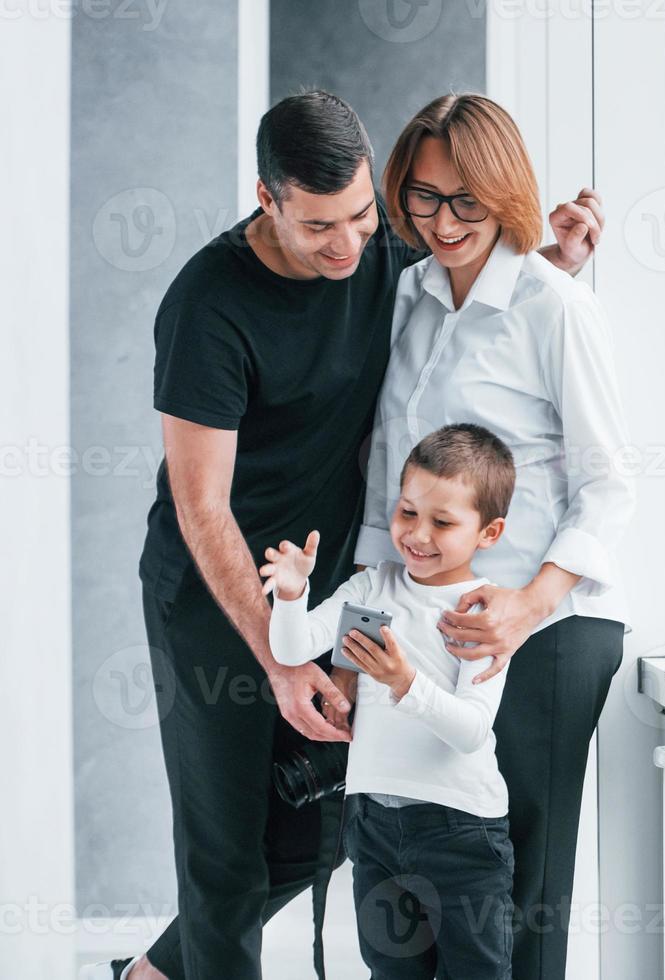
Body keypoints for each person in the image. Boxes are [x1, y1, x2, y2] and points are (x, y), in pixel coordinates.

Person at [89, 90, 603, 980]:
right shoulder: (209, 302)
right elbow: (200, 505)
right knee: (225, 850)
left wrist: (553, 261)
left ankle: (155, 972)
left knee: (337, 815)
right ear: (267, 197)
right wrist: (282, 657)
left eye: (364, 216)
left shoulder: (381, 254)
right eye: (320, 226)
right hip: (213, 592)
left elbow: (468, 285)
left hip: (336, 584)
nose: (348, 245)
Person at [347, 93, 635, 980]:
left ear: (506, 192)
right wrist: (355, 632)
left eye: (468, 200)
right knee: (420, 894)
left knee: (519, 903)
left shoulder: (554, 307)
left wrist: (525, 606)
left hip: (545, 632)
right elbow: (385, 473)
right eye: (425, 198)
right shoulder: (411, 297)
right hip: (431, 632)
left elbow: (609, 484)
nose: (444, 221)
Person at [263, 423, 519, 980]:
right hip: (375, 825)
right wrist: (290, 594)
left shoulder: (481, 614)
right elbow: (294, 646)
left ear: (489, 532)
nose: (418, 535)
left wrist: (406, 684)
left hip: (462, 830)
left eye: (443, 522)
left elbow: (472, 730)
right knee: (390, 971)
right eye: (407, 513)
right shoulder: (372, 589)